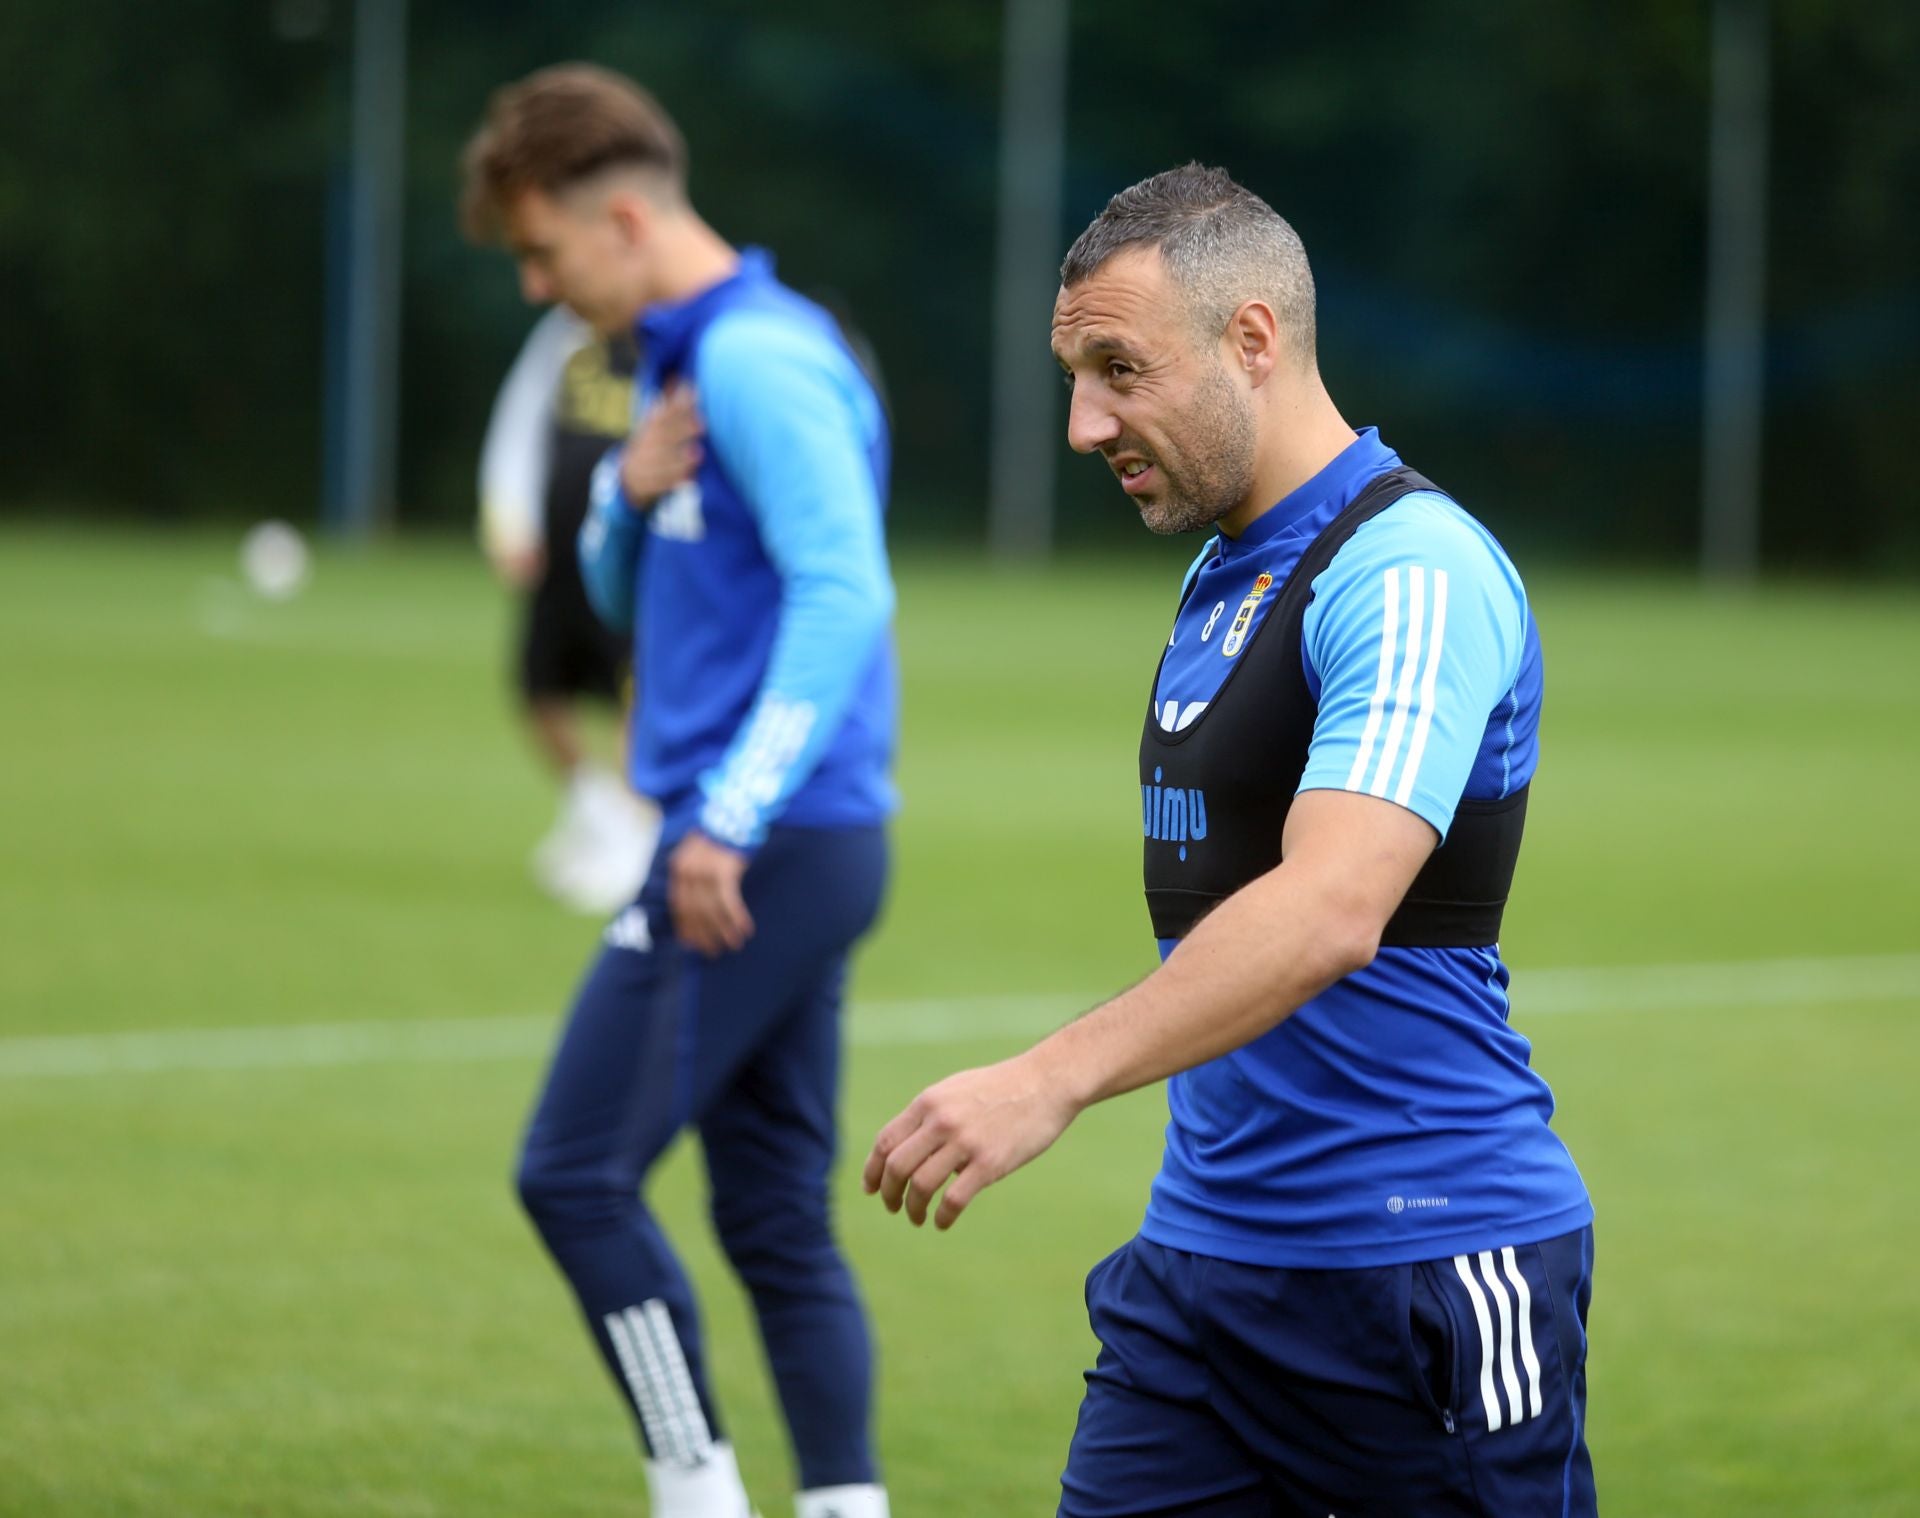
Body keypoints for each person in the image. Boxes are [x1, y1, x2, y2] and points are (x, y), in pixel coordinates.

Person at [864, 164, 1597, 1517]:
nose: (1085, 423)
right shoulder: (1226, 571)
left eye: (1119, 370)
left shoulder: (1410, 570)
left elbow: (1329, 907)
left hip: (1420, 1272)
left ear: (1252, 340)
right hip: (1199, 1281)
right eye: (1075, 375)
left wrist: (1051, 1077)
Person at [461, 65, 898, 1518]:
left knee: (573, 1176)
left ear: (628, 217)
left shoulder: (760, 363)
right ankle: (844, 1504)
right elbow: (613, 597)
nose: (536, 285)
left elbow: (845, 593)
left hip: (761, 844)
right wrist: (621, 500)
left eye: (544, 250)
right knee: (773, 1217)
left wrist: (724, 816)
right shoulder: (674, 358)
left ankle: (694, 1488)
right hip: (784, 840)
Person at [478, 305, 659, 913]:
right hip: (559, 553)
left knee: (638, 695)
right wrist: (509, 517)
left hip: (641, 561)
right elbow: (518, 423)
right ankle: (597, 812)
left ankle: (636, 840)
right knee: (538, 688)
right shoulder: (566, 334)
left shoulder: (674, 337)